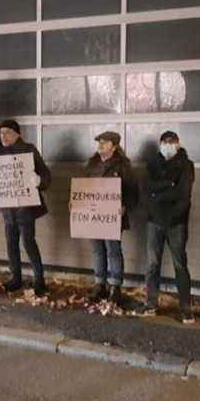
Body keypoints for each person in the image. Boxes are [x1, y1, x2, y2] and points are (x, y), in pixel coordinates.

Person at [0, 120, 51, 296]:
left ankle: (39, 280)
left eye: (7, 132)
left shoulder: (29, 150)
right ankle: (15, 277)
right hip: (8, 209)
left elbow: (46, 176)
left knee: (28, 242)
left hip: (25, 207)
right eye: (0, 133)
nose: (3, 136)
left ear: (17, 134)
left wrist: (38, 181)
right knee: (11, 244)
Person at [135, 130, 194, 323]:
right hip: (154, 221)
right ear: (160, 144)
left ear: (178, 143)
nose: (168, 145)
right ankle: (151, 304)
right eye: (165, 141)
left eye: (172, 141)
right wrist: (169, 184)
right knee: (152, 264)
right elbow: (146, 189)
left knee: (180, 264)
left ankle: (185, 308)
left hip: (176, 222)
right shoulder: (152, 164)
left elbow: (183, 195)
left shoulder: (186, 165)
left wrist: (158, 193)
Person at [85, 131, 139, 306]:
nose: (100, 144)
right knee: (97, 250)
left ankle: (115, 287)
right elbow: (83, 188)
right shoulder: (92, 164)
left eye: (105, 142)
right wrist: (76, 203)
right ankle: (99, 284)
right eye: (99, 141)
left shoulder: (123, 165)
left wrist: (125, 206)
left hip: (112, 216)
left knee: (113, 250)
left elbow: (133, 192)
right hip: (93, 216)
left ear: (114, 146)